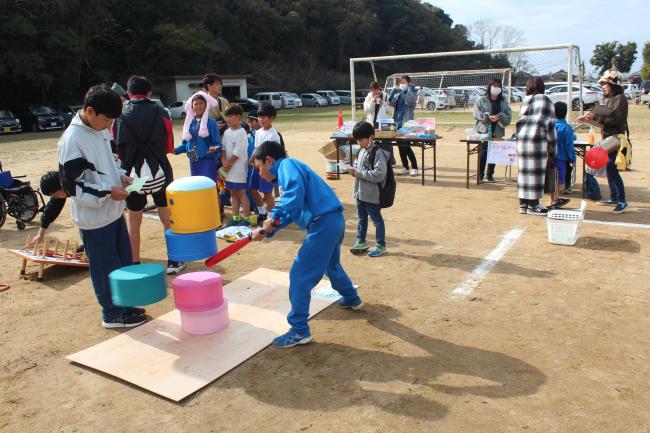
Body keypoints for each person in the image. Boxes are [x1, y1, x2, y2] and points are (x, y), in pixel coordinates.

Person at [251, 141, 364, 348]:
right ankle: (351, 298)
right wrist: (269, 230)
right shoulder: (288, 168)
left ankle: (299, 330)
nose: (259, 173)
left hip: (323, 224)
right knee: (331, 265)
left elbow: (292, 197)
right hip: (332, 221)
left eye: (259, 167)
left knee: (299, 275)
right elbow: (292, 209)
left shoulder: (286, 166)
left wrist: (271, 221)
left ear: (269, 160)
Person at [58, 84, 146, 328]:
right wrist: (108, 191)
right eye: (106, 120)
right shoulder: (71, 140)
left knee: (123, 262)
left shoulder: (102, 130)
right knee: (105, 268)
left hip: (114, 211)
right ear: (89, 111)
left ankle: (125, 305)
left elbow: (112, 160)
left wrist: (121, 177)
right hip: (94, 218)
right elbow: (72, 186)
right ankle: (112, 313)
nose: (109, 125)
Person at [115, 75, 184, 274]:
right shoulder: (161, 111)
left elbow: (117, 149)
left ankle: (134, 262)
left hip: (132, 175)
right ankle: (174, 261)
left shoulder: (120, 115)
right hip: (160, 170)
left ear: (128, 93)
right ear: (149, 93)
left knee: (134, 221)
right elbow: (169, 146)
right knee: (167, 218)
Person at [577, 69, 629, 214]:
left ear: (614, 84)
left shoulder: (620, 99)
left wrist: (594, 114)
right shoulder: (610, 100)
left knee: (612, 169)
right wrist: (590, 119)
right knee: (610, 169)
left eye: (605, 84)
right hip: (608, 138)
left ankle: (621, 201)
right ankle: (614, 197)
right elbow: (604, 123)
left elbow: (612, 119)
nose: (603, 86)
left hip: (615, 140)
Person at [347, 121, 388, 257]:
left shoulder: (378, 153)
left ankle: (381, 245)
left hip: (372, 194)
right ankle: (361, 241)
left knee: (377, 221)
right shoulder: (361, 150)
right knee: (361, 219)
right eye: (357, 140)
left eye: (361, 139)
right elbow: (358, 165)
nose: (359, 142)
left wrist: (358, 173)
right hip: (360, 193)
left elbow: (379, 174)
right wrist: (352, 168)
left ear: (371, 137)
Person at [516, 77, 556, 216]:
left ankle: (523, 204)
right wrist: (552, 149)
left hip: (521, 141)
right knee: (535, 173)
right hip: (537, 140)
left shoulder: (525, 101)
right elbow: (550, 125)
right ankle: (534, 205)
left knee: (524, 173)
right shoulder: (546, 100)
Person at [174, 93, 221, 181]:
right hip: (193, 162)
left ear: (206, 105)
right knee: (197, 188)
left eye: (201, 103)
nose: (198, 106)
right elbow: (185, 144)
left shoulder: (211, 123)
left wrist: (214, 148)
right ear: (192, 106)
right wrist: (175, 150)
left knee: (208, 187)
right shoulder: (189, 123)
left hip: (208, 161)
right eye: (196, 104)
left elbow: (218, 144)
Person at [473, 78, 512, 182]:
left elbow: (509, 116)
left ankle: (490, 174)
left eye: (499, 86)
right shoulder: (481, 100)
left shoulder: (503, 101)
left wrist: (500, 116)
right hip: (484, 130)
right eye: (494, 86)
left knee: (494, 153)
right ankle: (480, 174)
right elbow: (476, 113)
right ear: (490, 87)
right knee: (483, 152)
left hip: (498, 129)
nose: (496, 88)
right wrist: (487, 117)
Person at [248, 103, 280, 222]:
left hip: (267, 168)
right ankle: (262, 212)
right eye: (259, 117)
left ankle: (271, 217)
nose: (261, 119)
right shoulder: (258, 132)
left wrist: (268, 168)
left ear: (272, 118)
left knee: (267, 193)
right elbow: (256, 147)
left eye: (264, 117)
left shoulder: (274, 135)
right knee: (252, 189)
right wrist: (252, 157)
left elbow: (275, 155)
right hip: (256, 166)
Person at [221, 104, 252, 226]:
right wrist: (223, 161)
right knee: (233, 192)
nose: (228, 119)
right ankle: (236, 217)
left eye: (230, 116)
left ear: (238, 117)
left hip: (238, 168)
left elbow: (238, 151)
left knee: (241, 192)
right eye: (226, 116)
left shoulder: (242, 132)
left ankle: (247, 218)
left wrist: (229, 163)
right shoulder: (227, 132)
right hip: (228, 168)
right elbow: (223, 148)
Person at [388, 75, 418, 176]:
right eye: (401, 82)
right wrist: (393, 91)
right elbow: (390, 102)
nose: (402, 84)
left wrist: (406, 90)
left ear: (408, 82)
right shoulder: (399, 94)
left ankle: (414, 167)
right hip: (397, 123)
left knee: (406, 146)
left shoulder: (413, 92)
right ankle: (405, 166)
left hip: (407, 124)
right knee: (400, 146)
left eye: (404, 82)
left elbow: (410, 102)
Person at [553, 102, 576, 194]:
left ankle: (552, 198)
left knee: (551, 180)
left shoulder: (549, 126)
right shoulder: (567, 128)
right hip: (561, 159)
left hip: (548, 158)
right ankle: (555, 199)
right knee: (559, 181)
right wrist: (573, 159)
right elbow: (569, 146)